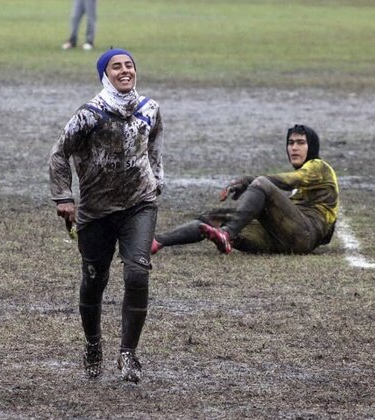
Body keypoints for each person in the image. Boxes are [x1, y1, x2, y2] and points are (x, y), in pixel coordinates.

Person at [48, 48, 164, 383]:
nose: (125, 71)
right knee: (95, 279)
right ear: (105, 74)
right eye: (117, 67)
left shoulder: (150, 109)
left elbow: (155, 145)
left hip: (138, 205)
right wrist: (64, 197)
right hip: (96, 210)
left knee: (138, 274)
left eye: (130, 65)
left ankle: (128, 354)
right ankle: (93, 344)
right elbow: (59, 153)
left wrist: (157, 180)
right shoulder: (89, 114)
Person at [152, 124, 338, 256]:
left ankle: (227, 233)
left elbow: (287, 181)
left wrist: (249, 181)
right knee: (211, 220)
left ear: (311, 146)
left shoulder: (319, 166)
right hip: (282, 238)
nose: (294, 148)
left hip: (304, 235)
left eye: (300, 143)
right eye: (290, 143)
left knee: (262, 184)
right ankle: (157, 241)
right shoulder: (304, 182)